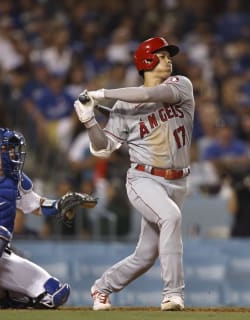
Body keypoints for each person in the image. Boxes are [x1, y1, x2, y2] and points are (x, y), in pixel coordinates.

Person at [74, 37, 195, 311]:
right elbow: (104, 147)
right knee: (171, 216)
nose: (168, 60)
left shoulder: (181, 85)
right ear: (147, 60)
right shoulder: (123, 106)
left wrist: (102, 94)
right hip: (144, 178)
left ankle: (101, 287)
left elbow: (149, 95)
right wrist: (90, 120)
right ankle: (173, 294)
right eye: (162, 56)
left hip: (179, 181)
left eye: (168, 56)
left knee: (145, 256)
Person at [0, 125, 97, 309]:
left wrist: (59, 205)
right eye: (5, 148)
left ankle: (8, 296)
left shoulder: (15, 179)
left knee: (54, 293)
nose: (12, 153)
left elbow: (36, 206)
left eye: (12, 148)